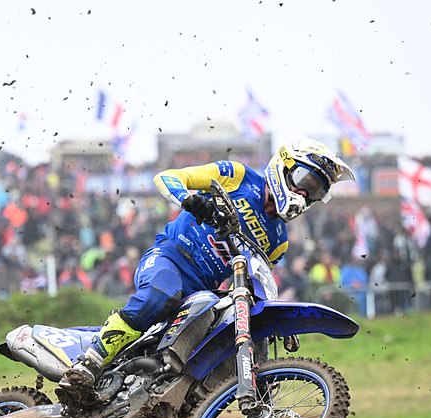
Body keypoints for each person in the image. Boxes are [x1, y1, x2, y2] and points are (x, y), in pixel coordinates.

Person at [60, 137, 355, 391]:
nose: (304, 194)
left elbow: (255, 279)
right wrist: (190, 200)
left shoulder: (279, 240)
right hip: (171, 258)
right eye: (306, 182)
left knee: (211, 352)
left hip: (205, 292)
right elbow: (168, 177)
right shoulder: (237, 176)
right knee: (160, 294)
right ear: (284, 167)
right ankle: (89, 363)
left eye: (314, 192)